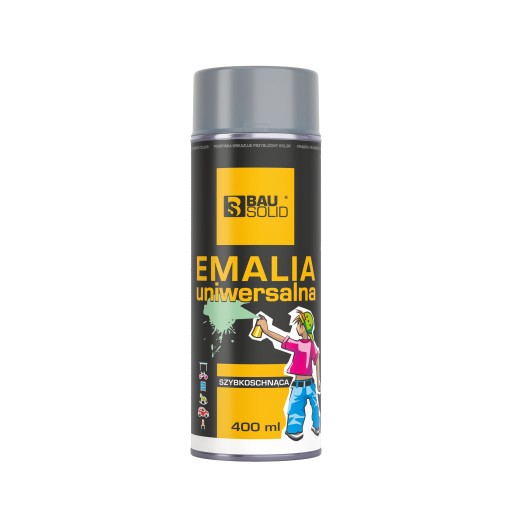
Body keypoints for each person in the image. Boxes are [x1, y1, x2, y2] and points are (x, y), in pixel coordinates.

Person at [256, 310, 320, 441]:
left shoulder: (298, 345)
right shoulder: (311, 345)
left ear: (303, 327)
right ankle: (313, 427)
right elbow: (317, 359)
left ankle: (298, 429)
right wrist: (319, 380)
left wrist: (266, 330)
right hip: (309, 384)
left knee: (296, 408)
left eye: (298, 325)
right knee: (310, 407)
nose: (296, 328)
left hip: (301, 386)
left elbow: (281, 338)